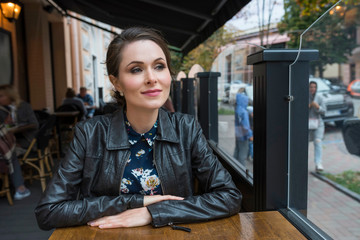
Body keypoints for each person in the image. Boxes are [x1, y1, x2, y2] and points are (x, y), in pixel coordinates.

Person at [35, 26, 242, 230]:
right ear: (116, 82)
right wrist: (135, 203)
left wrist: (153, 212)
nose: (152, 78)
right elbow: (49, 212)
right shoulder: (89, 133)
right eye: (136, 69)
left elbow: (229, 197)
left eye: (159, 66)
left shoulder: (186, 128)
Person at [0, 85, 33, 200]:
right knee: (10, 153)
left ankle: (19, 188)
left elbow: (35, 124)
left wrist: (18, 128)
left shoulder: (24, 106)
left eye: (1, 96)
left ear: (10, 96)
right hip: (7, 144)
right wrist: (5, 124)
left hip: (23, 141)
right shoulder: (1, 110)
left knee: (10, 153)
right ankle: (20, 188)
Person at [309, 81, 326, 172]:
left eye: (314, 87)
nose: (312, 89)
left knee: (318, 142)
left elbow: (324, 111)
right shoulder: (304, 96)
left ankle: (318, 163)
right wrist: (309, 106)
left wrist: (318, 107)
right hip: (306, 125)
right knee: (303, 145)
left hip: (318, 124)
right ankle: (301, 163)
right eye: (311, 87)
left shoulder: (319, 97)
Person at [233, 88, 253, 166]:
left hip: (238, 133)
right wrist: (250, 135)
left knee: (237, 150)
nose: (247, 102)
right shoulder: (244, 112)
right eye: (246, 101)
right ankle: (242, 171)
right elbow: (246, 126)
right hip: (244, 135)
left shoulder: (237, 109)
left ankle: (233, 166)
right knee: (243, 154)